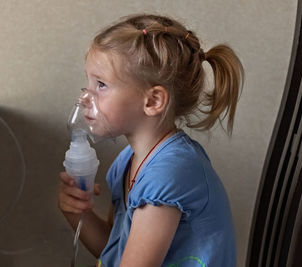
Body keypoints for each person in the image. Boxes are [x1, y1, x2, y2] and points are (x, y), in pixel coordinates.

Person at [58, 13, 244, 267]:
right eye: (89, 81)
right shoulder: (128, 162)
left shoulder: (168, 174)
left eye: (101, 84)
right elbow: (114, 250)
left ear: (153, 101)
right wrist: (78, 214)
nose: (84, 98)